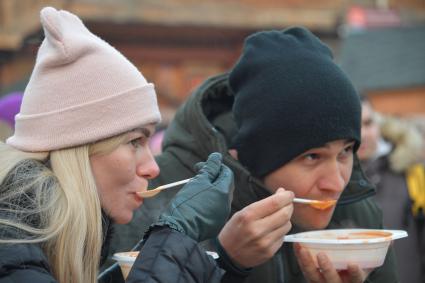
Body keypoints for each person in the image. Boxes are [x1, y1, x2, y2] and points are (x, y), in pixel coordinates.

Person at [108, 27, 399, 282]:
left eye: (346, 152)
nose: (336, 184)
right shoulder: (155, 200)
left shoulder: (357, 217)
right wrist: (226, 261)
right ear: (257, 155)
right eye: (312, 157)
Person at [0, 7, 235, 283]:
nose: (151, 168)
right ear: (78, 149)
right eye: (135, 141)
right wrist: (178, 234)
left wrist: (231, 259)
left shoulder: (33, 240)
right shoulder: (10, 251)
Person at [358, 98, 425, 283]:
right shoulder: (332, 183)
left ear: (379, 125)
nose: (362, 134)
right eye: (354, 125)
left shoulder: (413, 172)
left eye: (368, 123)